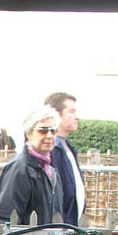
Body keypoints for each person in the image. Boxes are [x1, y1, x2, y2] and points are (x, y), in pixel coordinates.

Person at [0, 106, 65, 226]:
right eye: (43, 130)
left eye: (53, 130)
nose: (49, 135)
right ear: (29, 134)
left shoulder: (50, 169)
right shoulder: (19, 168)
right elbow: (6, 218)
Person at [45, 90, 86, 226]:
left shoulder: (69, 148)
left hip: (71, 227)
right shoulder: (52, 150)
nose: (77, 117)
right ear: (56, 114)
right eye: (71, 111)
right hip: (58, 228)